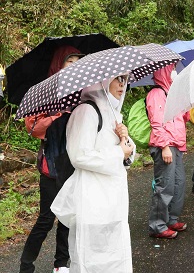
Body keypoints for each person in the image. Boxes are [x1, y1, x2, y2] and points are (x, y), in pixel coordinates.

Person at [51, 74, 135, 272]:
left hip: (114, 199)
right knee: (92, 256)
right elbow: (79, 155)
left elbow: (127, 154)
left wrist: (125, 140)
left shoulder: (114, 114)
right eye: (117, 78)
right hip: (93, 197)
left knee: (115, 253)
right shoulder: (86, 111)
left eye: (125, 78)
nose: (122, 84)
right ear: (102, 81)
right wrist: (118, 152)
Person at [20, 45, 83, 273]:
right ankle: (26, 265)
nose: (75, 65)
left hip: (73, 162)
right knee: (46, 219)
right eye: (70, 61)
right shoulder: (44, 92)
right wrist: (57, 114)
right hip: (51, 166)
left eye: (78, 61)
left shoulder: (82, 92)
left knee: (68, 216)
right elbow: (34, 128)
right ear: (60, 63)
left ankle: (61, 264)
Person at [147, 64, 189, 239]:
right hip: (165, 145)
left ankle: (171, 219)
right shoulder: (157, 93)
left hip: (176, 145)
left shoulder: (171, 93)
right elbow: (156, 122)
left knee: (179, 184)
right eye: (171, 68)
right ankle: (158, 226)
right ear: (163, 71)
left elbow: (182, 118)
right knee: (165, 186)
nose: (174, 71)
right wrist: (164, 146)